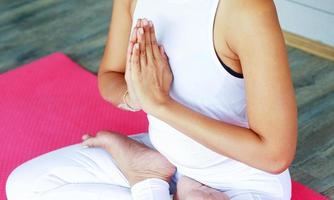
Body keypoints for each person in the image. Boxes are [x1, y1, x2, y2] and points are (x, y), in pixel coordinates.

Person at [6, 0, 298, 199]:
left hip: (241, 179)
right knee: (25, 186)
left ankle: (147, 182)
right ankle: (151, 175)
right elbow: (110, 75)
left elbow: (274, 155)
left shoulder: (245, 9)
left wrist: (160, 104)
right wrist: (135, 96)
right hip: (168, 155)